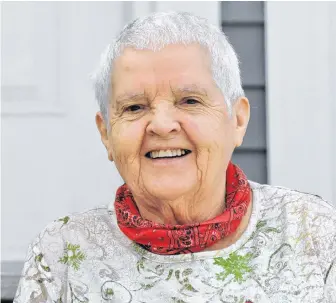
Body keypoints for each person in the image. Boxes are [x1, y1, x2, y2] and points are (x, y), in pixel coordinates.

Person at [14, 11, 336, 303]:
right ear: (106, 135)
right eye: (134, 107)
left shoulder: (311, 231)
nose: (162, 125)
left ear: (237, 120)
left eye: (190, 101)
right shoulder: (64, 251)